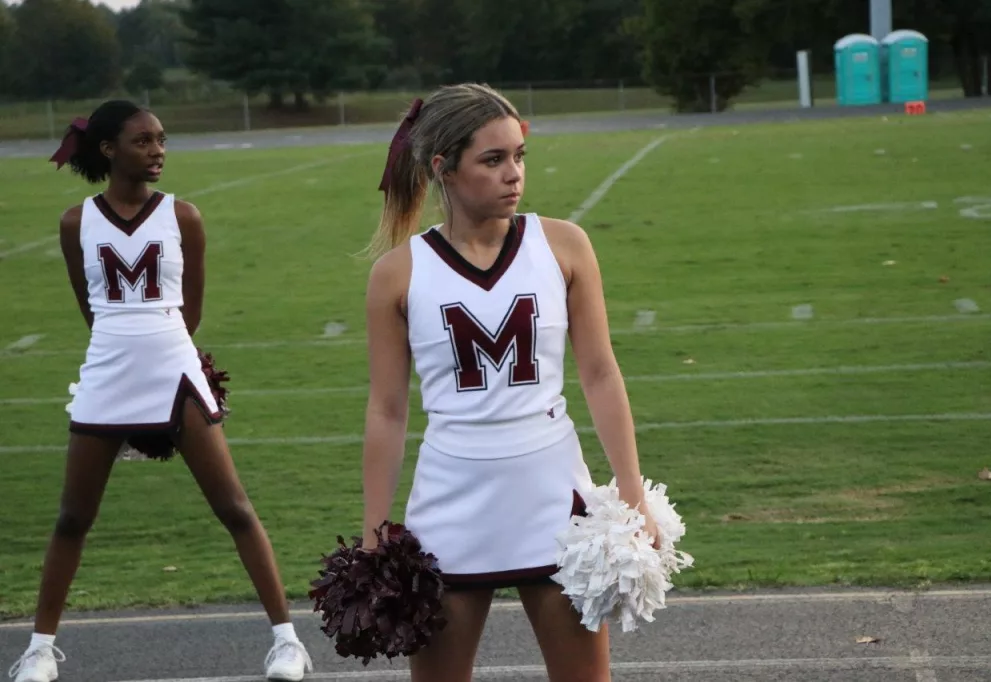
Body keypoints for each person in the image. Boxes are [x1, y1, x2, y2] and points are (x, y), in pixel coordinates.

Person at [358, 83, 660, 682]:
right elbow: (387, 410)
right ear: (443, 168)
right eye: (492, 160)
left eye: (519, 156)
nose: (513, 174)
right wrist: (374, 533)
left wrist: (633, 492)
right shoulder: (397, 274)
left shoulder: (564, 245)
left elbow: (600, 373)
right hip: (449, 502)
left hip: (553, 497)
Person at [6, 100, 312, 682]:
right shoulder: (75, 223)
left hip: (173, 370)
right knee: (72, 517)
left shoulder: (183, 216)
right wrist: (124, 350)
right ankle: (40, 650)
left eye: (162, 140)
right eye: (143, 141)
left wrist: (159, 349)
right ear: (108, 150)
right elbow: (92, 309)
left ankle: (288, 642)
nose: (158, 151)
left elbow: (190, 311)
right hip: (107, 372)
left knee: (234, 508)